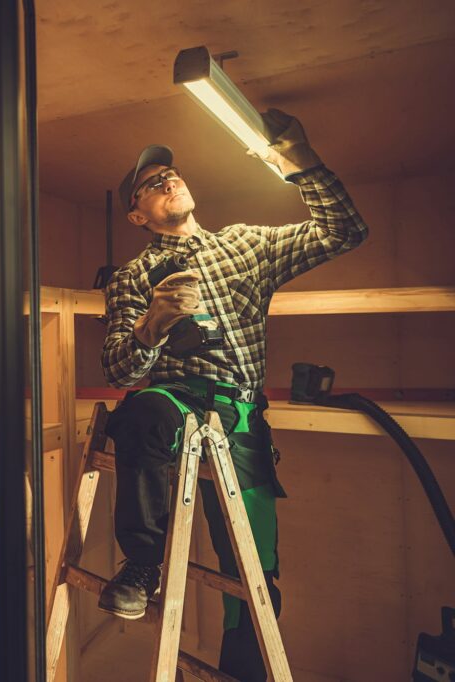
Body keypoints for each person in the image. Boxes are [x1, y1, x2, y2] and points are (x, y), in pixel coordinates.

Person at [98, 109, 369, 681]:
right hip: (174, 400)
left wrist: (303, 163)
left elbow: (344, 231)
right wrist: (154, 321)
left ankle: (243, 672)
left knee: (253, 573)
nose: (167, 181)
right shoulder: (132, 277)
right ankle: (143, 564)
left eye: (171, 173)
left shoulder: (244, 246)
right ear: (136, 215)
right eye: (151, 183)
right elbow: (121, 370)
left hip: (241, 414)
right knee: (140, 412)